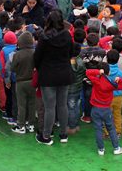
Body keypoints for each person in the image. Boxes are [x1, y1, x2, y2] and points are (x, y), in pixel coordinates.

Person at [34, 10, 78, 145]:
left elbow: (37, 58)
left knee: (49, 107)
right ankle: (63, 134)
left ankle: (46, 135)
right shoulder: (67, 35)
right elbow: (71, 52)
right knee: (62, 105)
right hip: (64, 74)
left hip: (48, 75)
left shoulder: (44, 38)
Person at [85, 62, 122, 156]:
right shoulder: (111, 83)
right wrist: (119, 80)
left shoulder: (96, 80)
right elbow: (121, 87)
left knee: (98, 129)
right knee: (111, 128)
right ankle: (116, 148)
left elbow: (88, 72)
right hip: (106, 109)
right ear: (108, 72)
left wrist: (98, 72)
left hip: (95, 109)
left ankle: (101, 149)